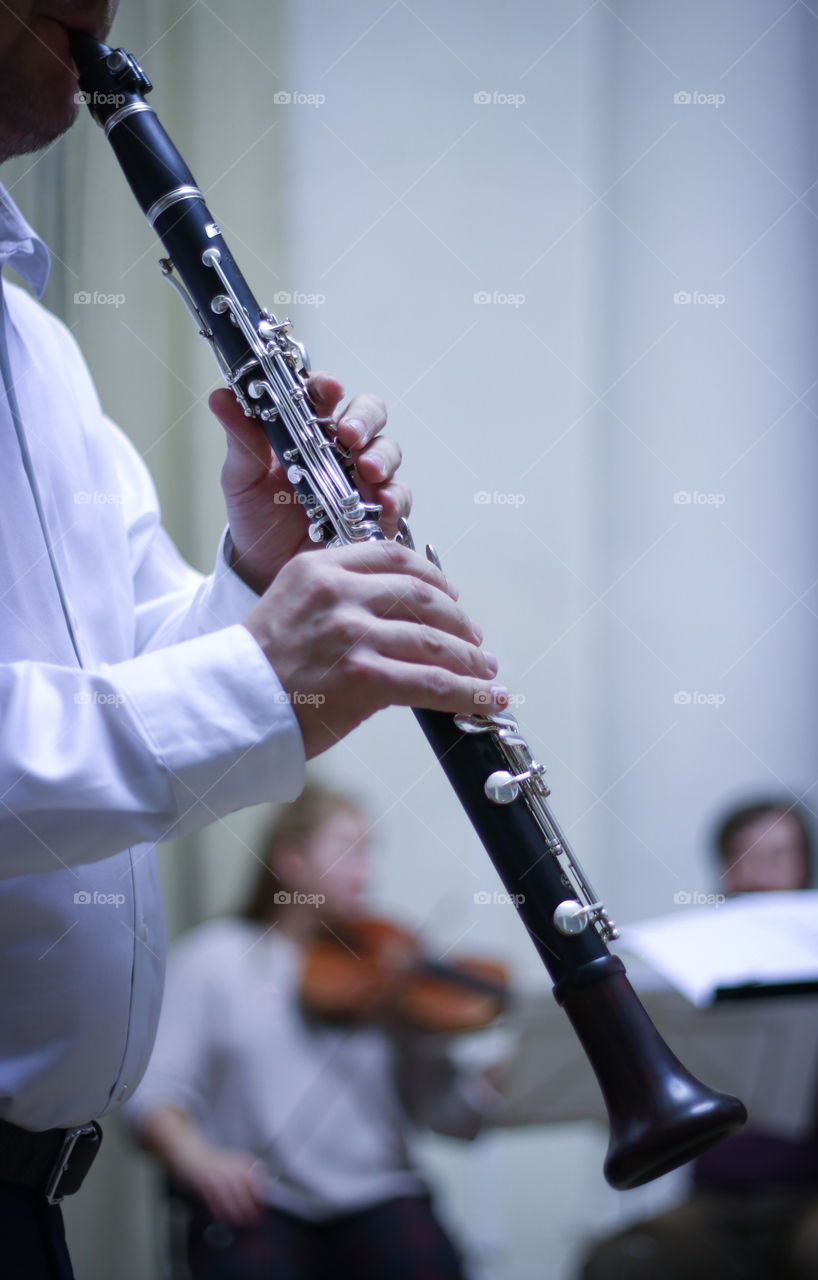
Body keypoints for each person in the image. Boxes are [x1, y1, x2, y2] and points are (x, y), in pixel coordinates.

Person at [0, 5, 507, 1277]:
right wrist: (262, 673)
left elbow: (133, 675)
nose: (105, 12)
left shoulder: (37, 344)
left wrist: (261, 570)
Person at [124, 782, 501, 1280]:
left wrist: (492, 1081)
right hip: (263, 1198)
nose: (365, 871)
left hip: (380, 1196)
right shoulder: (215, 959)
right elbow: (153, 1091)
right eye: (348, 850)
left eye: (369, 852)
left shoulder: (388, 968)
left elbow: (445, 1114)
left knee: (426, 1262)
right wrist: (199, 1160)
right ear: (292, 862)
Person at [578, 798, 818, 1280]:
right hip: (716, 1203)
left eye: (776, 857)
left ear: (806, 867)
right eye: (740, 859)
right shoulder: (692, 976)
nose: (756, 877)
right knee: (617, 1262)